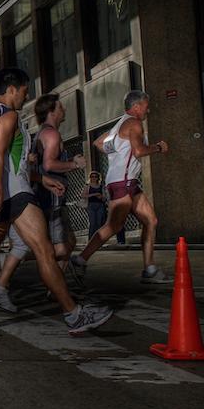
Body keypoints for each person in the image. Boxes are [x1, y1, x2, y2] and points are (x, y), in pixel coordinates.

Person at [0, 68, 111, 337]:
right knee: (44, 251)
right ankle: (74, 315)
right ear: (12, 88)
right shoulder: (9, 115)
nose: (26, 96)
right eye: (25, 90)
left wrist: (39, 177)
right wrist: (2, 195)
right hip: (14, 195)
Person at [0, 93, 86, 312]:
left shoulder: (41, 133)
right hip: (47, 197)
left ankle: (54, 289)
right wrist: (74, 164)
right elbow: (49, 164)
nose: (64, 110)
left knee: (65, 244)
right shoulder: (50, 135)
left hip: (43, 193)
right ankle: (12, 266)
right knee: (53, 249)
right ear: (52, 111)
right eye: (61, 107)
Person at [72, 90, 169, 283]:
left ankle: (149, 269)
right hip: (121, 182)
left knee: (151, 220)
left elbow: (99, 143)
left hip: (127, 181)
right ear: (136, 107)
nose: (147, 109)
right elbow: (139, 151)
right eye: (145, 105)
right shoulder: (134, 123)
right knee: (113, 226)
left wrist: (117, 154)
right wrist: (159, 147)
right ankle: (80, 260)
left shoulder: (119, 125)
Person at [85, 172, 108, 243]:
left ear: (98, 178)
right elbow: (83, 195)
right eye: (92, 176)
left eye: (95, 176)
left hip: (100, 205)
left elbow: (105, 198)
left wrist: (101, 197)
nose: (93, 178)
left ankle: (98, 240)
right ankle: (91, 240)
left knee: (99, 223)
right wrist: (94, 194)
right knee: (92, 223)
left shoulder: (101, 186)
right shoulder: (87, 186)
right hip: (91, 205)